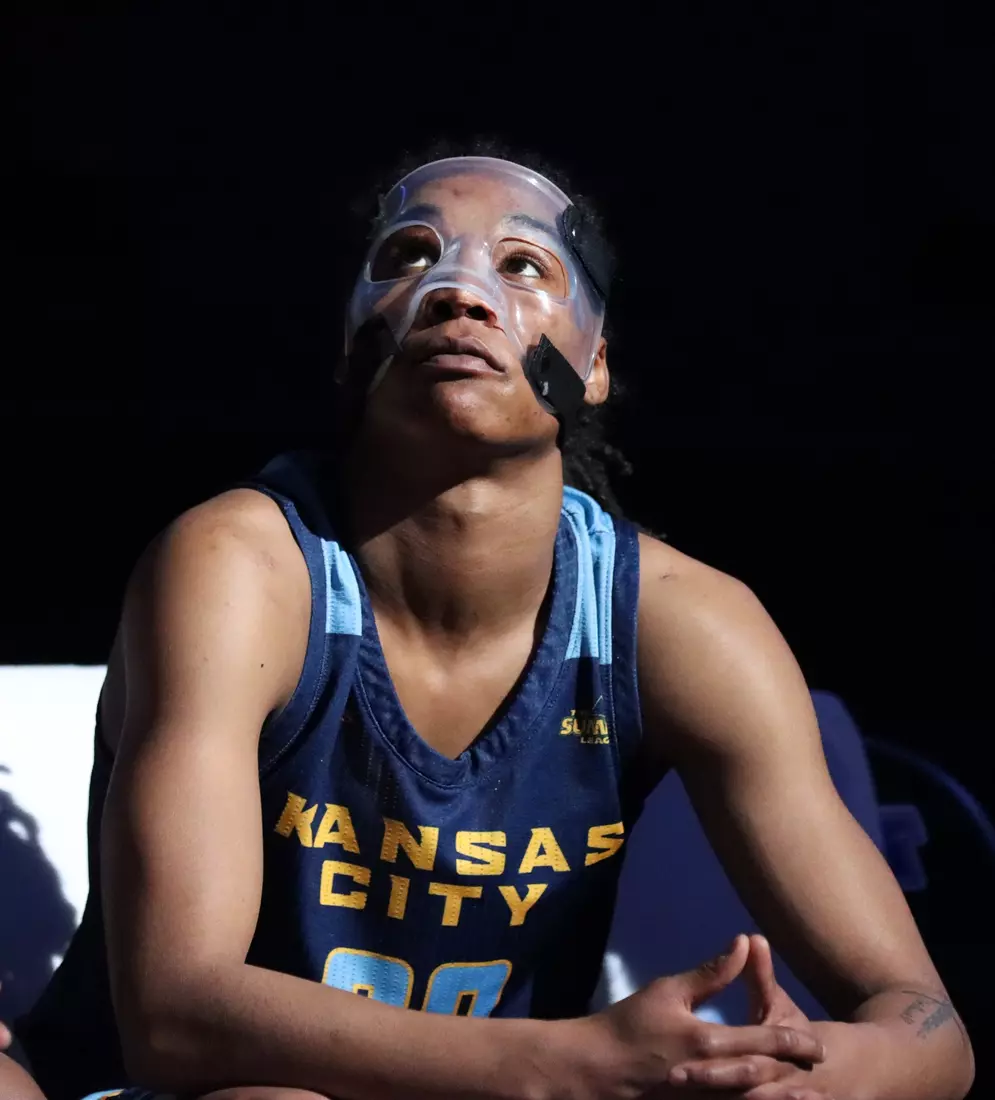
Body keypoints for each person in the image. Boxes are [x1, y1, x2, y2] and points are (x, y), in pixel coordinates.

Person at [2, 143, 973, 1100]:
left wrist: (823, 1075)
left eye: (523, 264)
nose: (459, 291)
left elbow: (926, 1024)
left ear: (591, 363)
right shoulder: (241, 568)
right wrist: (571, 1063)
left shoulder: (681, 620)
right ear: (352, 341)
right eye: (408, 255)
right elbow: (176, 1015)